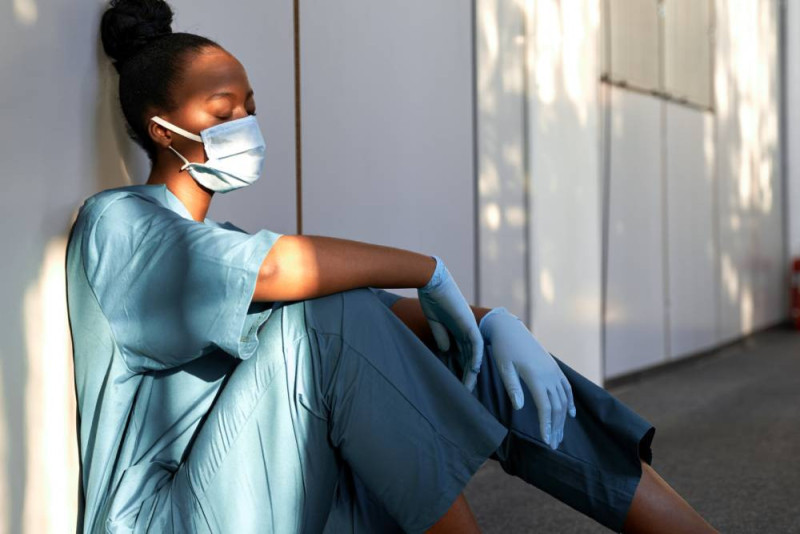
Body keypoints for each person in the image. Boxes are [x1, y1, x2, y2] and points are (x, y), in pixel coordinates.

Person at [65, 0, 718, 532]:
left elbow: (381, 324)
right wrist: (428, 269)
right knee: (329, 316)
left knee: (476, 350)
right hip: (170, 516)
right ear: (160, 127)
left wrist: (489, 323)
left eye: (250, 107)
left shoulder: (224, 241)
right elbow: (280, 275)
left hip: (281, 491)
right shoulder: (121, 223)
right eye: (221, 111)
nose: (244, 122)